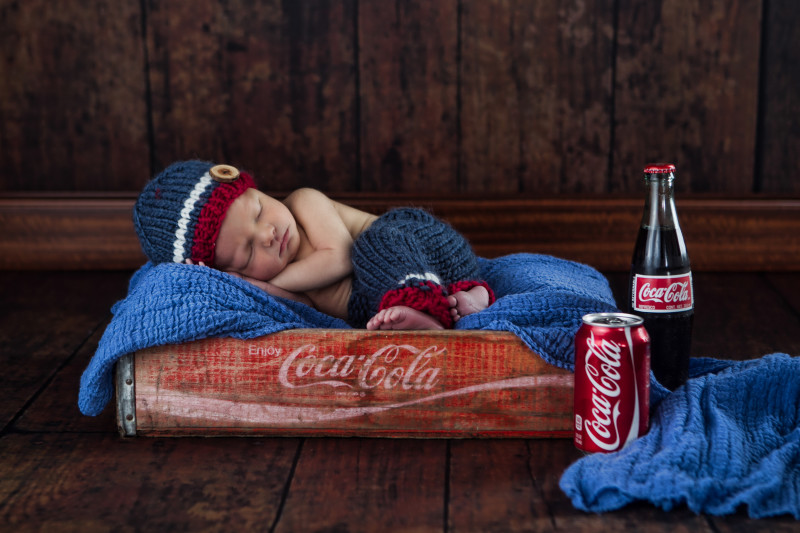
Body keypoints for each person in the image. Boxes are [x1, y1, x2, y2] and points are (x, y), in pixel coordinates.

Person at [132, 160, 494, 330]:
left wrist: (267, 282)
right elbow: (304, 307)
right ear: (229, 270)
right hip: (372, 302)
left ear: (254, 189)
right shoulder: (274, 279)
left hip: (416, 242)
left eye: (258, 211)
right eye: (247, 252)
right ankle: (470, 299)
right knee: (378, 310)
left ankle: (428, 306)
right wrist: (251, 290)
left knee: (374, 244)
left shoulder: (304, 203)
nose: (267, 234)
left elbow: (338, 259)